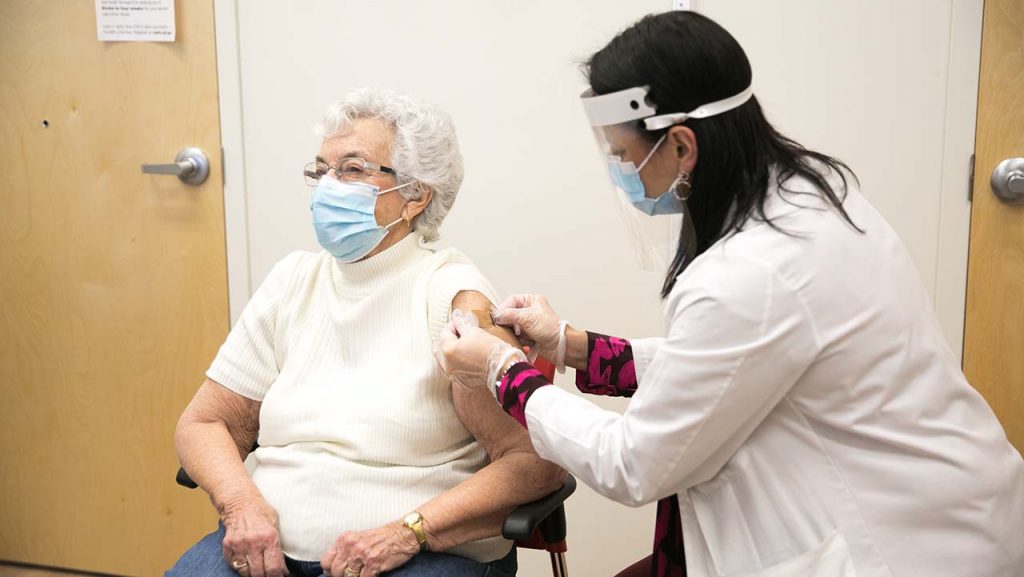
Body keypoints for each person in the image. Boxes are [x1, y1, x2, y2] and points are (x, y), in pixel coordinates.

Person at [435, 11, 1024, 577]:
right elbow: (734, 360)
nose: (620, 170)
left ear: (682, 147)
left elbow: (633, 464)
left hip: (900, 545)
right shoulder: (807, 197)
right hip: (937, 496)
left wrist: (504, 371)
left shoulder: (753, 272)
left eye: (624, 155)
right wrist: (573, 346)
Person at [168, 88, 563, 577]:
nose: (328, 186)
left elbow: (532, 460)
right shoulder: (293, 280)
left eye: (352, 170)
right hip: (266, 545)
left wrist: (407, 532)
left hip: (415, 552)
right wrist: (240, 505)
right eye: (322, 170)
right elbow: (205, 423)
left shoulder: (450, 293)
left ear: (417, 194)